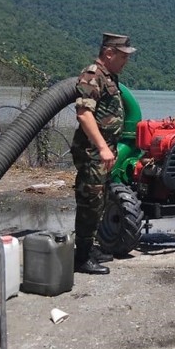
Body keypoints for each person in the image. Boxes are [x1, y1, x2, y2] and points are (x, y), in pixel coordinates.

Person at [70, 33, 136, 274]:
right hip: (93, 153)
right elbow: (84, 114)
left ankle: (87, 249)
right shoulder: (92, 76)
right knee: (90, 202)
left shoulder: (109, 78)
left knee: (99, 202)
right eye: (122, 56)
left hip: (104, 153)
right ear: (108, 53)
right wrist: (102, 147)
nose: (125, 61)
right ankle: (82, 259)